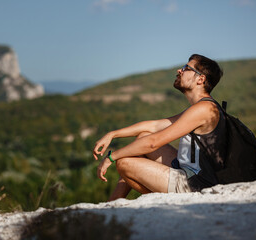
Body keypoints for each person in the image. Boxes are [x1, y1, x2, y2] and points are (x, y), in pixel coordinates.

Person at [92, 54, 225, 201]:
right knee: (143, 136)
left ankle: (168, 201)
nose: (179, 71)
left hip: (197, 184)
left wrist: (111, 157)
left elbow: (153, 143)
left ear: (201, 79)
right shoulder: (203, 106)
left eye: (186, 68)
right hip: (192, 171)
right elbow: (154, 126)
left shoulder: (203, 109)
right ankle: (114, 201)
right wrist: (113, 134)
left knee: (123, 163)